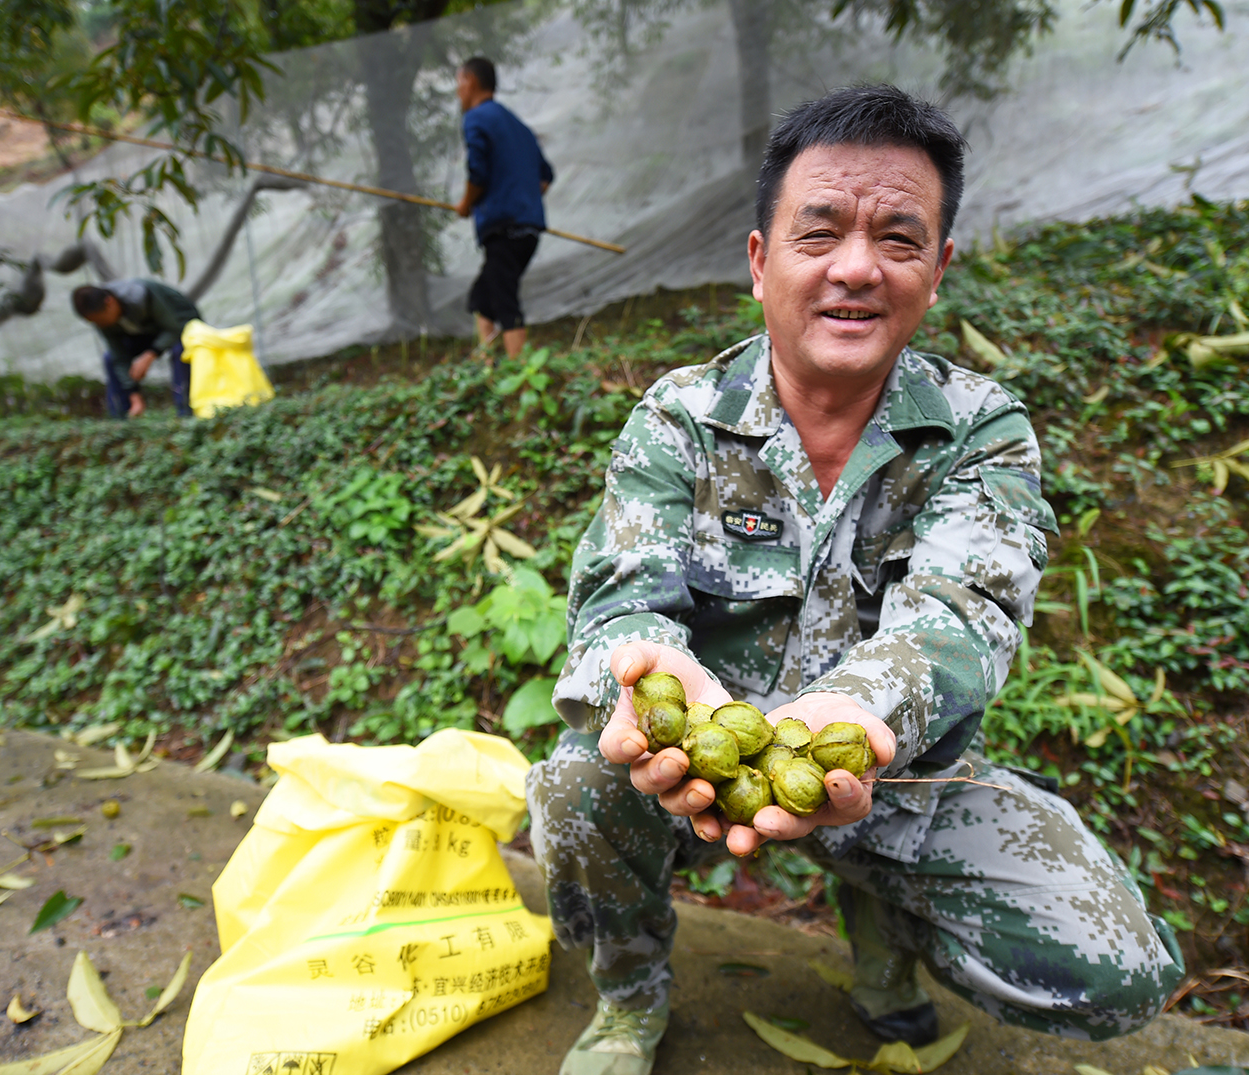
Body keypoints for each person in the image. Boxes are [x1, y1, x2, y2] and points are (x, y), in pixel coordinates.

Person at [530, 85, 1185, 1075]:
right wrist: (646, 665)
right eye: (820, 232)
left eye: (898, 238)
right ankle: (629, 996)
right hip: (698, 769)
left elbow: (966, 613)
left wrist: (856, 712)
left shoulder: (983, 431)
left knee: (1116, 966)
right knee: (576, 785)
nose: (854, 268)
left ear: (939, 270)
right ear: (760, 262)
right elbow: (623, 593)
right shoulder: (679, 420)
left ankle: (884, 930)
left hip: (896, 771)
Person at [454, 56, 554, 360]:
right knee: (482, 299)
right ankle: (487, 365)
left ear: (470, 81)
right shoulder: (520, 127)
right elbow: (546, 177)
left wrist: (465, 204)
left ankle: (521, 374)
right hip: (528, 229)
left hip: (504, 227)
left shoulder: (476, 118)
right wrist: (522, 197)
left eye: (459, 83)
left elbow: (478, 173)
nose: (458, 91)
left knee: (504, 299)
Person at [71, 279, 201, 418]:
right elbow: (119, 356)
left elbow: (176, 329)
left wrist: (151, 354)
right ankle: (122, 419)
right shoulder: (102, 320)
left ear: (109, 302)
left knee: (180, 351)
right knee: (110, 359)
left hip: (182, 328)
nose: (100, 325)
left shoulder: (141, 297)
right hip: (147, 335)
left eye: (100, 320)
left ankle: (185, 413)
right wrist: (134, 395)